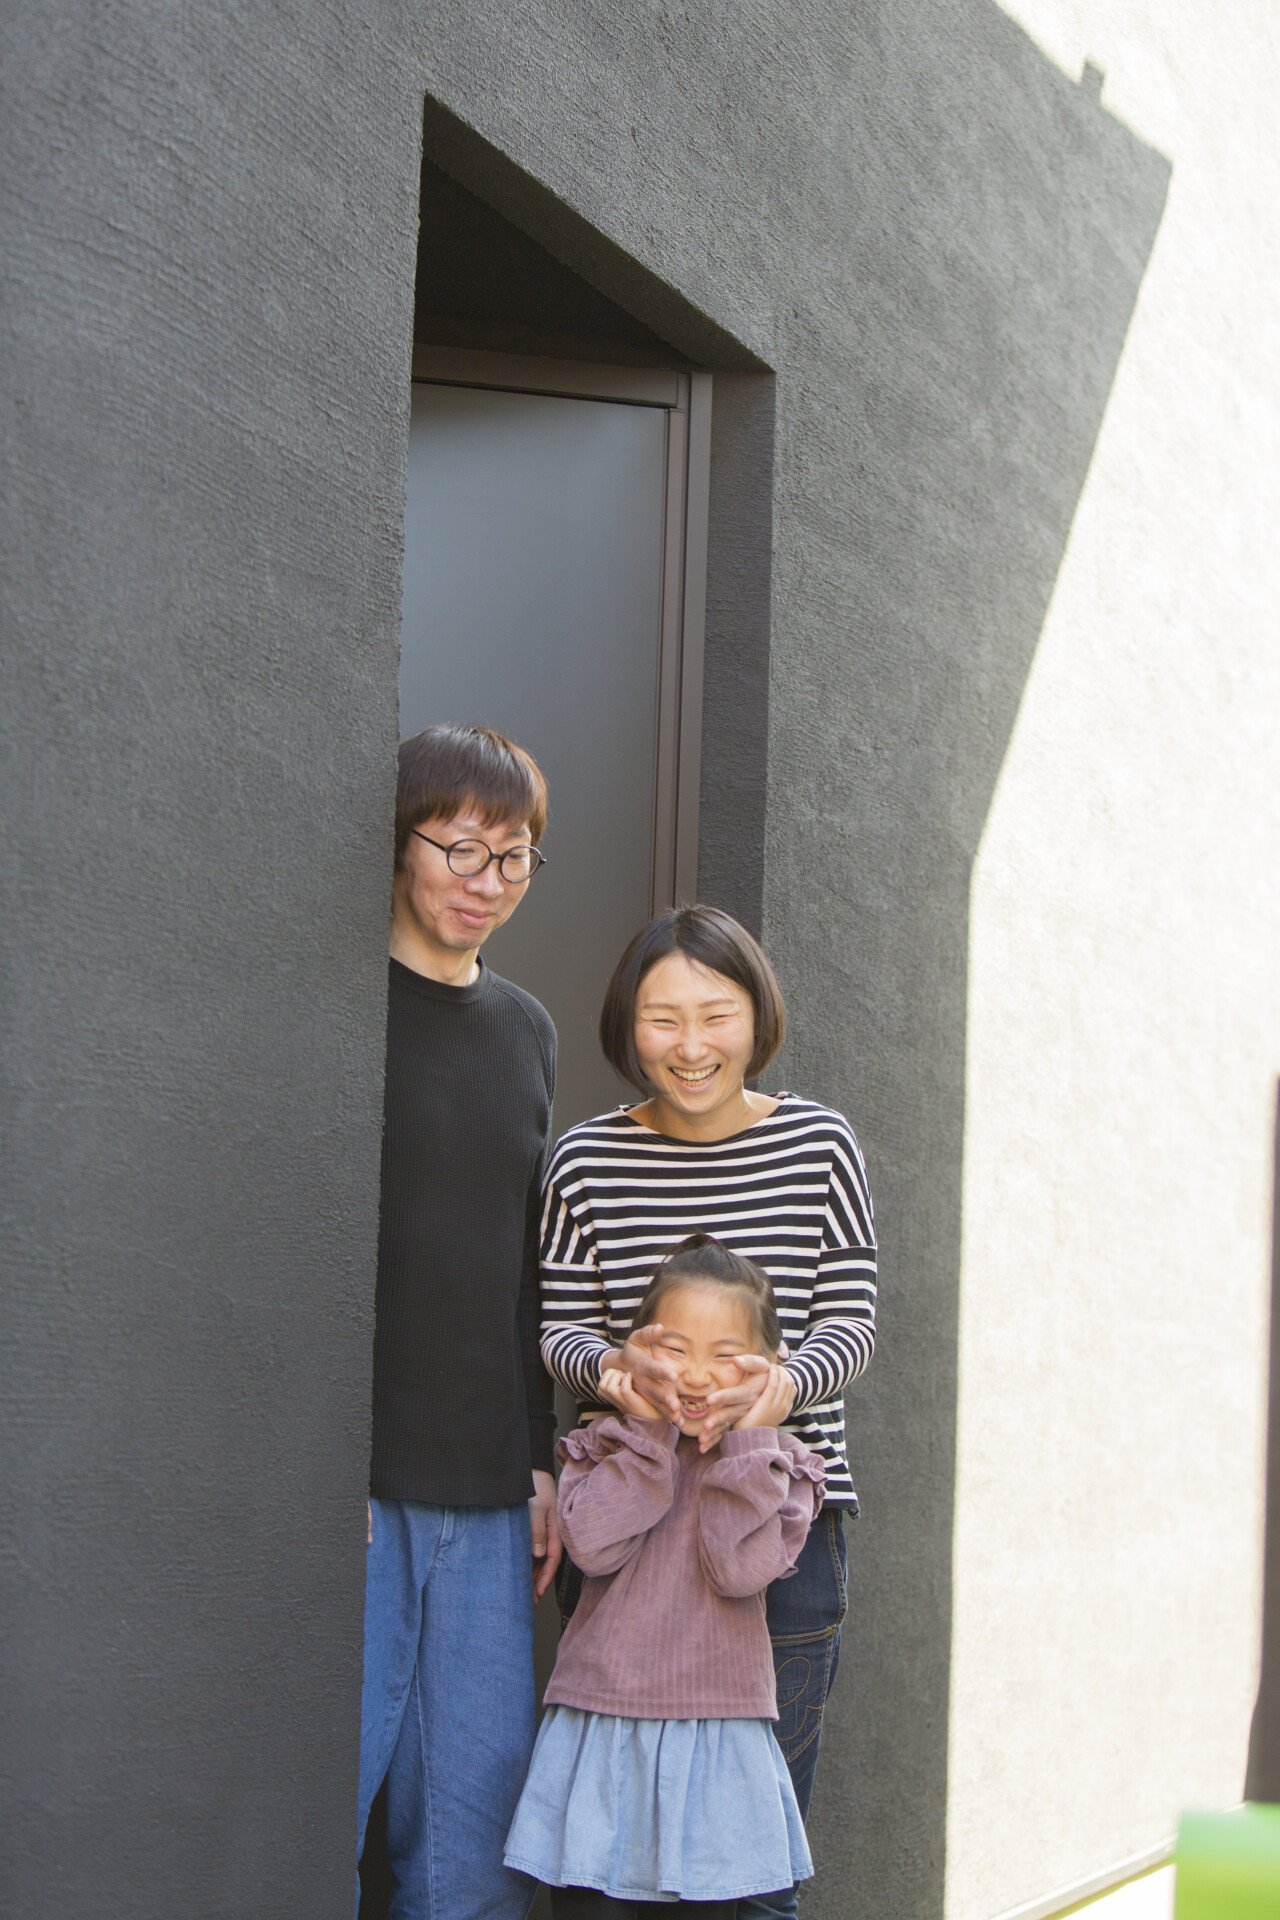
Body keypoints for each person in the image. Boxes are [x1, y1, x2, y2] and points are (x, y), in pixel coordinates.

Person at [539, 906, 876, 1920]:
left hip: (778, 1529)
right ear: (626, 1026)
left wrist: (780, 1388)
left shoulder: (819, 1143)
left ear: (756, 1017)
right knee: (607, 1849)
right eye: (662, 1019)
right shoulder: (584, 1160)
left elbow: (850, 1322)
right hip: (626, 1531)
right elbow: (561, 1330)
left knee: (754, 1863)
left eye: (716, 1015)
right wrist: (618, 1372)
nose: (690, 1046)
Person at [357, 724, 560, 1920]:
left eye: (514, 857)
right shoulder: (338, 1001)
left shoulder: (526, 1031)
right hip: (360, 1486)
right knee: (315, 1798)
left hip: (486, 1497)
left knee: (474, 1843)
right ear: (401, 845)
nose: (485, 882)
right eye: (459, 849)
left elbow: (523, 1268)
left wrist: (537, 1462)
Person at [506, 1235, 825, 1920]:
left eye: (725, 1355)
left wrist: (750, 1443)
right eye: (675, 1350)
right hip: (602, 1728)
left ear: (772, 1367)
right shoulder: (605, 1448)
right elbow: (595, 1549)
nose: (698, 1376)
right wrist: (648, 1436)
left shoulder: (783, 1468)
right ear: (638, 1351)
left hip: (715, 1736)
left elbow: (736, 1568)